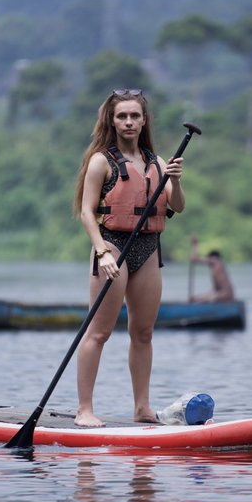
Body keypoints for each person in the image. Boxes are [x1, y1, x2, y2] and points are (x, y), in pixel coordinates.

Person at [74, 89, 185, 427]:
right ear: (111, 120)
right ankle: (84, 410)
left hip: (148, 248)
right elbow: (86, 212)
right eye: (122, 116)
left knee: (143, 332)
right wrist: (102, 251)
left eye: (135, 116)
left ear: (144, 120)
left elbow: (177, 206)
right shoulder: (100, 161)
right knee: (99, 332)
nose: (128, 122)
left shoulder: (157, 163)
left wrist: (175, 181)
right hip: (112, 246)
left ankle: (142, 408)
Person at [190, 236, 234, 303]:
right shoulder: (217, 268)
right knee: (195, 298)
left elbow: (194, 259)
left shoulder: (216, 261)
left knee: (199, 299)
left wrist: (195, 244)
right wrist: (201, 297)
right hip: (223, 294)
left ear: (212, 257)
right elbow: (215, 290)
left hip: (226, 295)